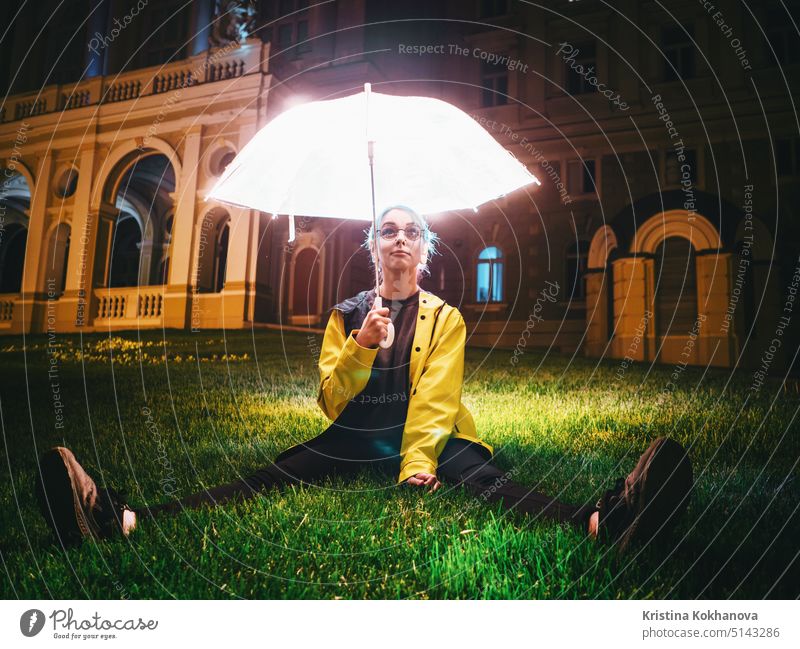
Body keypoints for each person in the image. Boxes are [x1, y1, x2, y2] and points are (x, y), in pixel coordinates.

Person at [35, 205, 693, 556]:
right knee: (270, 474)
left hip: (429, 436)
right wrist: (360, 344)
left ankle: (607, 519)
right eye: (388, 230)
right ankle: (116, 515)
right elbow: (328, 396)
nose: (400, 238)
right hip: (354, 433)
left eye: (412, 231)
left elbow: (436, 400)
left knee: (488, 478)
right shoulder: (349, 312)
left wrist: (416, 462)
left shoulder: (447, 317)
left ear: (425, 250)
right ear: (373, 247)